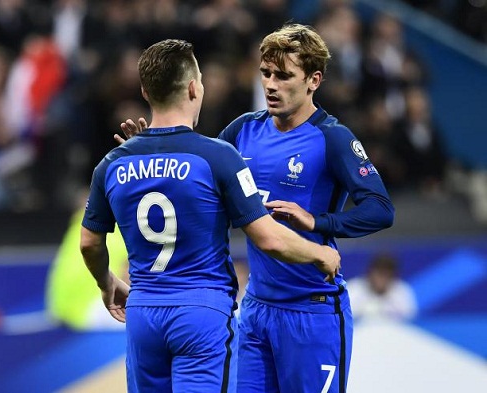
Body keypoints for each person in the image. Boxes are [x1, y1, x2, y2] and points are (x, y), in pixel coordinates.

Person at [119, 25, 395, 393]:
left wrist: (318, 220)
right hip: (255, 312)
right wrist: (152, 148)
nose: (271, 84)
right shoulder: (242, 131)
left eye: (283, 76)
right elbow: (195, 184)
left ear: (313, 80)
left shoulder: (332, 137)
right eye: (265, 73)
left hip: (312, 311)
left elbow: (380, 208)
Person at [81, 39, 340, 393]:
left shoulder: (112, 164)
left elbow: (89, 243)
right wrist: (320, 253)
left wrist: (106, 282)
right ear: (193, 88)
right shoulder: (218, 157)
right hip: (201, 314)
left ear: (145, 91)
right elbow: (269, 238)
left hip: (143, 312)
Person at [45, 189, 129, 331]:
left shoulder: (82, 220)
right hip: (92, 308)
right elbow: (130, 278)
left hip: (60, 309)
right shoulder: (128, 227)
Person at [346, 253, 417, 322]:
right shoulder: (353, 290)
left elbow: (410, 322)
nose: (382, 279)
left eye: (386, 274)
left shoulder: (402, 292)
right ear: (370, 273)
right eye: (379, 273)